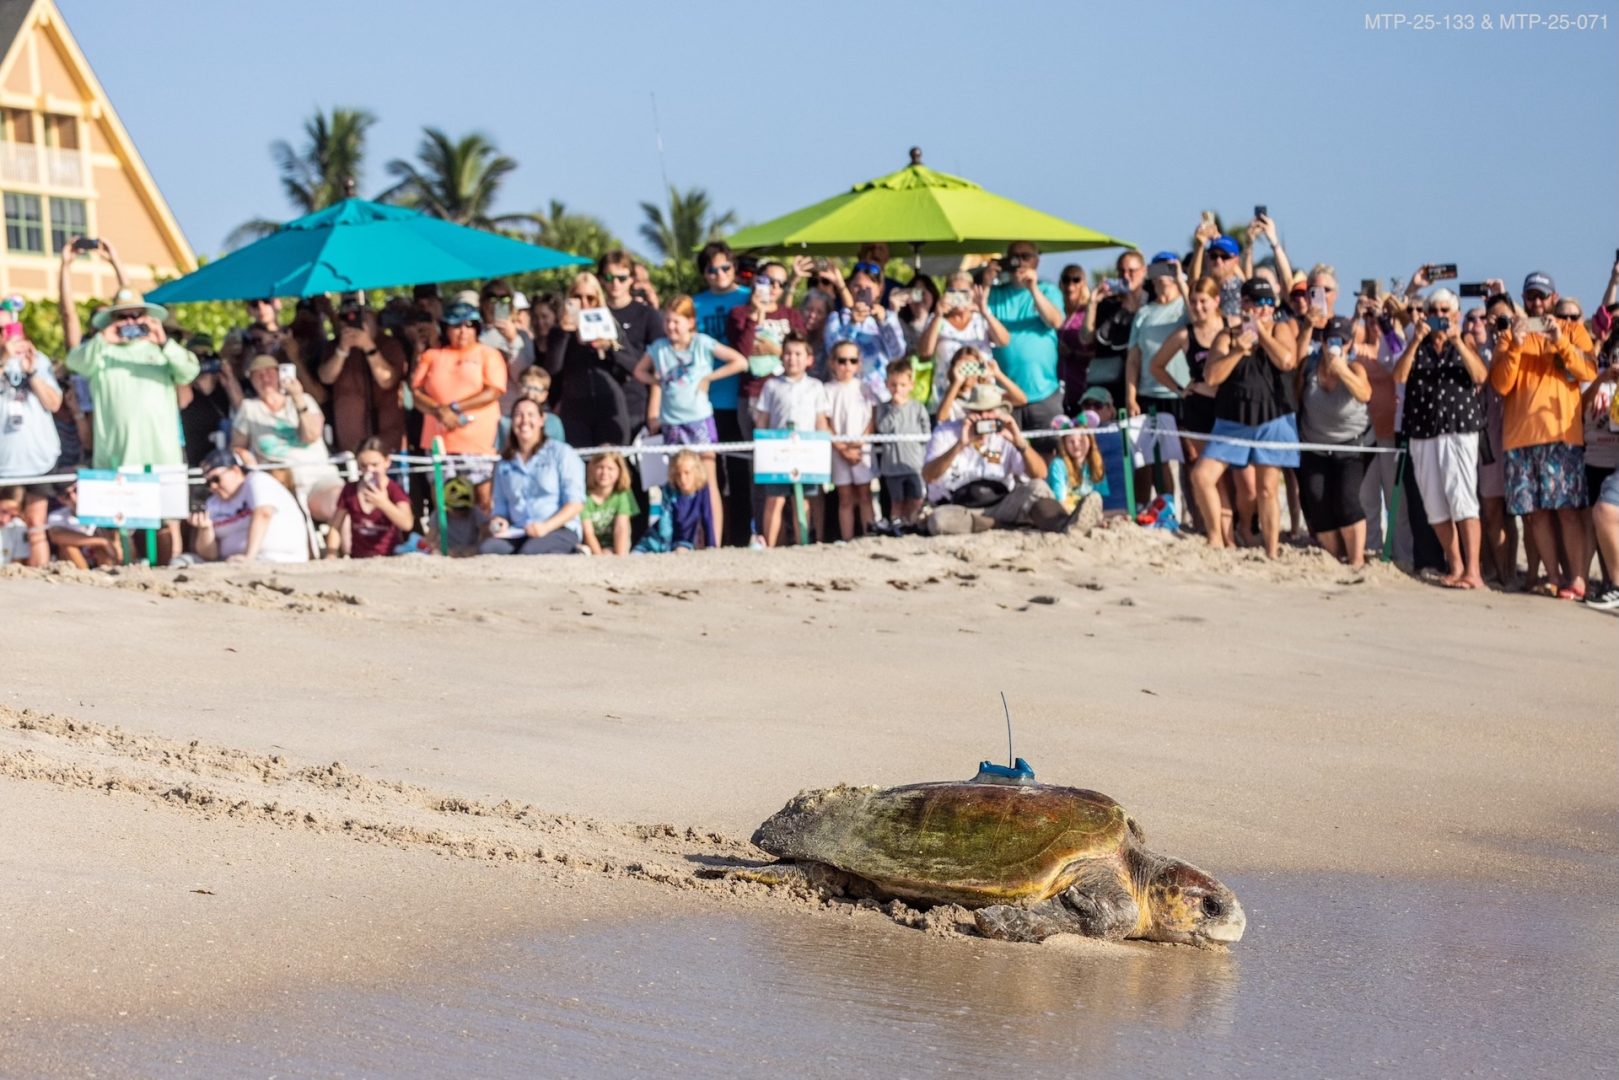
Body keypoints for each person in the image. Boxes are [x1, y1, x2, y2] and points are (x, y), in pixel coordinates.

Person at [66, 287, 199, 563]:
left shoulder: (162, 352)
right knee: (117, 526)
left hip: (160, 455)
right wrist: (105, 338)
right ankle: (123, 579)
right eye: (122, 317)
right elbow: (74, 362)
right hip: (116, 456)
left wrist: (164, 342)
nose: (129, 322)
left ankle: (160, 575)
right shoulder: (99, 355)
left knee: (161, 523)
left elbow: (189, 371)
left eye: (135, 315)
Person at [1489, 271, 1597, 599]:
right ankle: (1552, 576)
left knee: (1566, 510)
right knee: (1534, 515)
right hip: (1519, 440)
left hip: (1560, 436)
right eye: (1531, 296)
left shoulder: (1573, 329)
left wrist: (1559, 341)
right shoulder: (1510, 334)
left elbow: (1588, 371)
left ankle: (1577, 579)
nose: (1537, 302)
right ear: (1523, 299)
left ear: (1553, 297)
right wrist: (1516, 347)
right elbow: (1501, 385)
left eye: (1542, 296)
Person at [1188, 277, 1301, 558]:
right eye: (1257, 303)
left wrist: (1262, 334)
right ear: (1244, 304)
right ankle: (1216, 537)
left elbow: (1287, 361)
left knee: (1267, 488)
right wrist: (1239, 349)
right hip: (1233, 417)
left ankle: (1272, 551)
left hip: (1271, 416)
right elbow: (1212, 376)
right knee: (1202, 476)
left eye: (1268, 303)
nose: (1263, 309)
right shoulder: (1227, 336)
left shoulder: (1281, 328)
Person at [636, 295, 749, 542]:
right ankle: (684, 538)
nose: (671, 327)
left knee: (708, 482)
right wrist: (659, 382)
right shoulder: (659, 348)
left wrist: (709, 378)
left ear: (690, 322)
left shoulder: (702, 343)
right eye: (667, 321)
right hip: (672, 422)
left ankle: (713, 540)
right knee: (679, 482)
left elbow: (739, 361)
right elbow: (639, 371)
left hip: (699, 421)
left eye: (676, 321)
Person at [920, 384, 1098, 536]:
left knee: (1037, 488)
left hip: (1002, 502)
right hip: (959, 504)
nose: (984, 418)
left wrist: (1020, 443)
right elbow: (928, 476)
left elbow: (1040, 473)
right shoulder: (946, 433)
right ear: (968, 412)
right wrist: (960, 444)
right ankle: (998, 525)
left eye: (989, 412)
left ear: (998, 412)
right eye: (978, 412)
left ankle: (1063, 523)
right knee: (939, 521)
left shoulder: (1005, 434)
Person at [1295, 315, 1374, 568]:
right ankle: (1334, 556)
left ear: (1350, 344)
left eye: (1342, 341)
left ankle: (1356, 560)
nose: (1336, 345)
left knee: (1347, 500)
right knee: (1317, 503)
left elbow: (1365, 394)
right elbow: (1297, 396)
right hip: (1314, 444)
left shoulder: (1356, 368)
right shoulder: (1309, 366)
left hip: (1351, 445)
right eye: (1331, 340)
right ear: (1323, 341)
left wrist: (1341, 369)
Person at [412, 301, 507, 508]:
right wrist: (439, 410)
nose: (463, 331)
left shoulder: (488, 354)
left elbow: (493, 390)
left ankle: (486, 540)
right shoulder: (432, 355)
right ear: (446, 328)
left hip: (478, 442)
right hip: (439, 441)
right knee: (443, 501)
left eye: (469, 325)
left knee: (483, 501)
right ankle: (448, 540)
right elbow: (416, 392)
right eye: (456, 326)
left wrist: (454, 408)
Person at [231, 355, 344, 523]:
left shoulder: (305, 400)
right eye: (258, 374)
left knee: (339, 504)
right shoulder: (249, 408)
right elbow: (236, 447)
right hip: (278, 481)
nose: (265, 378)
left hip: (317, 476)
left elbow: (311, 436)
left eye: (270, 372)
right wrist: (249, 461)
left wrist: (297, 397)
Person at [754, 333, 831, 547]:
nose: (792, 358)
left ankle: (804, 543)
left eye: (798, 354)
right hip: (778, 454)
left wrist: (823, 452)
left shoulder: (816, 386)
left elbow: (821, 422)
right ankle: (770, 545)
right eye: (788, 353)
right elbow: (762, 419)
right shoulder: (771, 386)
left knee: (804, 501)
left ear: (808, 359)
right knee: (775, 500)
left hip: (806, 453)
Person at [482, 397, 585, 556]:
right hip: (520, 530)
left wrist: (545, 527)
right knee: (488, 549)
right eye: (518, 415)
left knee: (531, 551)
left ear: (542, 420)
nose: (524, 421)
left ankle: (573, 552)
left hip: (558, 528)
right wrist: (499, 521)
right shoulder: (505, 463)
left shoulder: (562, 454)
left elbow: (575, 503)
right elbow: (500, 507)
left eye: (531, 415)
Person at [1125, 253, 1189, 505]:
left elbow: (1198, 317)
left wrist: (1181, 277)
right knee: (1149, 459)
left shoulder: (1185, 307)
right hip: (1148, 393)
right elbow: (1133, 359)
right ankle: (1157, 509)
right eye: (1159, 267)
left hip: (1179, 393)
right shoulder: (1144, 313)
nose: (1163, 273)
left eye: (1168, 266)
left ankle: (1188, 512)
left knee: (1188, 458)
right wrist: (1131, 396)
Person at [0, 315, 62, 567]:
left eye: (10, 328)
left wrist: (33, 372)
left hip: (39, 457)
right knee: (4, 518)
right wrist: (4, 359)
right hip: (5, 460)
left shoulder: (39, 360)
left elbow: (54, 403)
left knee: (36, 523)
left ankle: (39, 585)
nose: (7, 333)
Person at [986, 242, 1066, 433]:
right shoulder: (995, 294)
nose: (1020, 262)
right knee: (1005, 457)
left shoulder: (1048, 290)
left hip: (1044, 392)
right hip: (1004, 395)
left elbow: (1055, 321)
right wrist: (986, 282)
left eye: (1026, 257)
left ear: (1036, 261)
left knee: (1050, 452)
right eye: (1015, 257)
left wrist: (1033, 289)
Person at [190, 448, 310, 564]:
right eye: (208, 482)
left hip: (277, 559)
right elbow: (210, 556)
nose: (213, 486)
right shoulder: (213, 503)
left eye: (216, 479)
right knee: (182, 561)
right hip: (231, 563)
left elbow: (263, 514)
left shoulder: (257, 480)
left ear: (235, 470)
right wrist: (205, 529)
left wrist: (248, 557)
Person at [317, 302, 406, 454]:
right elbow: (326, 377)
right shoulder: (334, 346)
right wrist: (342, 351)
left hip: (387, 437)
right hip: (350, 440)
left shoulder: (390, 344)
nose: (353, 323)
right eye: (347, 319)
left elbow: (387, 380)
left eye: (360, 318)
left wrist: (369, 347)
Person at [597, 250, 667, 438]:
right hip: (601, 403)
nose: (615, 283)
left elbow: (658, 368)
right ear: (601, 279)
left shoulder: (648, 315)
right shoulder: (594, 314)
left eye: (622, 277)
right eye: (609, 277)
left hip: (637, 403)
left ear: (631, 279)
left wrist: (653, 412)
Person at [918, 271, 1009, 412]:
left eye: (963, 292)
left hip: (983, 399)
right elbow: (924, 353)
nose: (958, 297)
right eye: (952, 292)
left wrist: (984, 311)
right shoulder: (937, 319)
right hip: (947, 400)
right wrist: (938, 315)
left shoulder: (981, 318)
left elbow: (1004, 341)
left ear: (972, 293)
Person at [824, 267, 907, 401]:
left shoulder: (887, 318)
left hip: (879, 397)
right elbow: (832, 351)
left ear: (879, 289)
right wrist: (852, 324)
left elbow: (897, 353)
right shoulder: (836, 318)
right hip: (845, 397)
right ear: (850, 287)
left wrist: (884, 322)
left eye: (868, 287)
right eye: (857, 286)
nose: (862, 290)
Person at [825, 340, 879, 540]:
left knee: (865, 495)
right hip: (839, 451)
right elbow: (825, 422)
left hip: (862, 451)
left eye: (852, 360)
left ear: (859, 363)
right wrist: (841, 448)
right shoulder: (827, 390)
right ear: (832, 363)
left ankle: (869, 536)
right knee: (845, 498)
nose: (847, 366)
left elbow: (871, 420)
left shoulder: (865, 388)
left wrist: (860, 444)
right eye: (842, 360)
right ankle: (847, 538)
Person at [324, 437, 412, 559]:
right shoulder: (350, 490)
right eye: (363, 466)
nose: (369, 470)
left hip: (390, 558)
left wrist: (384, 504)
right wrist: (331, 553)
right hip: (359, 559)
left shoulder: (395, 490)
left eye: (375, 465)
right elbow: (335, 526)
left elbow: (407, 524)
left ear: (387, 462)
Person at [1083, 250, 1147, 409]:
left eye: (1131, 271)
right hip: (1110, 384)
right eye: (1121, 271)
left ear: (1143, 271)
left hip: (1143, 383)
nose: (1126, 276)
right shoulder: (1108, 304)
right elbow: (1086, 338)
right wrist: (1092, 303)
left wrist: (1133, 309)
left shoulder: (1152, 300)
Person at [875, 359, 931, 530]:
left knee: (916, 498)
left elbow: (926, 433)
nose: (898, 389)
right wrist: (895, 409)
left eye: (902, 384)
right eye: (893, 384)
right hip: (892, 467)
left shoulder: (918, 407)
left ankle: (912, 524)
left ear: (911, 385)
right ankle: (896, 526)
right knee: (897, 500)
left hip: (915, 465)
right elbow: (883, 429)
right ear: (886, 384)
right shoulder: (883, 408)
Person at [635, 449, 716, 553]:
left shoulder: (702, 489)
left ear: (696, 472)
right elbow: (665, 522)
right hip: (659, 539)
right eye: (678, 474)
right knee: (636, 553)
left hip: (684, 541)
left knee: (680, 551)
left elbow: (707, 517)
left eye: (687, 473)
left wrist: (712, 546)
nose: (682, 479)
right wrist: (666, 549)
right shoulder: (669, 490)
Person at [478, 279, 536, 410]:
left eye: (504, 299)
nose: (498, 303)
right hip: (482, 409)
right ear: (482, 303)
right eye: (492, 298)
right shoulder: (473, 333)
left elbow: (523, 377)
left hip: (511, 410)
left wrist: (512, 339)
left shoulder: (522, 336)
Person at [935, 346, 1027, 422]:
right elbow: (941, 417)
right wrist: (957, 382)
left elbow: (1021, 400)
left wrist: (998, 374)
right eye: (963, 367)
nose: (968, 373)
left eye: (973, 366)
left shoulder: (989, 391)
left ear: (980, 367)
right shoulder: (951, 397)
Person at [44, 478, 121, 568]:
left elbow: (116, 543)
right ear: (60, 499)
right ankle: (85, 576)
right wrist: (101, 541)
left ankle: (107, 573)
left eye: (76, 490)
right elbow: (57, 536)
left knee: (108, 544)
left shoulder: (102, 510)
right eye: (66, 495)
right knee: (68, 547)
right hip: (76, 563)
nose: (73, 498)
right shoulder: (57, 515)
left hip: (102, 560)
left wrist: (105, 543)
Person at [581, 449, 638, 557]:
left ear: (619, 471)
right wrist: (599, 556)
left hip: (614, 544)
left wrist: (619, 557)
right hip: (590, 546)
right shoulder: (583, 496)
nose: (604, 473)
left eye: (610, 468)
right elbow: (588, 532)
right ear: (592, 468)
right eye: (600, 467)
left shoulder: (622, 494)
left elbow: (621, 528)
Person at [1047, 415, 1109, 509]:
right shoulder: (1058, 465)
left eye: (1081, 440)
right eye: (1071, 441)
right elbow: (1060, 501)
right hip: (1064, 516)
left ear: (1090, 441)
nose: (1076, 445)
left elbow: (1101, 499)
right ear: (1064, 444)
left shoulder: (1096, 464)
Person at [1056, 265, 1093, 414]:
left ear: (1083, 283)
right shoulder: (1057, 312)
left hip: (1082, 385)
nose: (1070, 285)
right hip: (1057, 389)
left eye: (1076, 279)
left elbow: (1097, 353)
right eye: (1066, 280)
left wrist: (1073, 354)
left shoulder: (1087, 312)